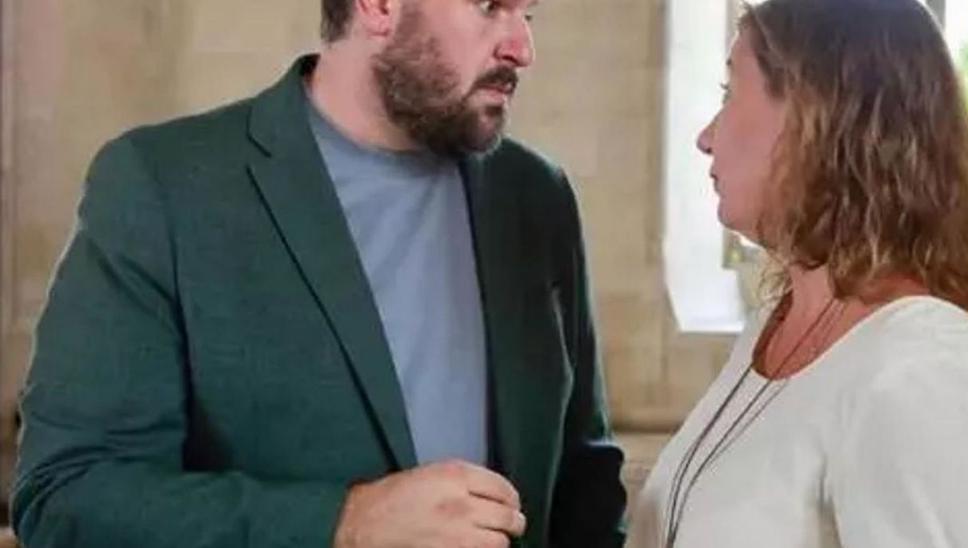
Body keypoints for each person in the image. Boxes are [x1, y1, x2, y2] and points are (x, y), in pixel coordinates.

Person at [11, 0, 626, 546]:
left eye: (529, 14)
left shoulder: (537, 196)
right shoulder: (162, 188)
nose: (523, 47)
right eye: (490, 6)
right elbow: (68, 498)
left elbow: (585, 484)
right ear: (378, 7)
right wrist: (344, 523)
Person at [626, 0, 968, 546]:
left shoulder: (923, 366)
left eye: (728, 94)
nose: (706, 136)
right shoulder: (774, 326)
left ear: (817, 114)